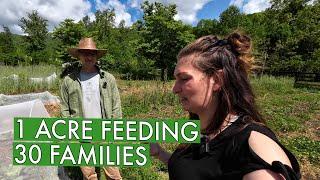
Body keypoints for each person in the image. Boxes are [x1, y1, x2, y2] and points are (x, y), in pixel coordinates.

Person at [150, 32, 301, 180]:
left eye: (184, 78)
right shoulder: (201, 129)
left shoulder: (251, 145)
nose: (174, 89)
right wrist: (160, 153)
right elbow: (193, 171)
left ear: (216, 80)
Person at [60, 37, 122, 180]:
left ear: (96, 56)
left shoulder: (108, 78)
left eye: (92, 54)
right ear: (79, 56)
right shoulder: (69, 80)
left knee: (113, 173)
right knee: (89, 175)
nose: (89, 57)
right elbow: (64, 108)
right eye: (85, 53)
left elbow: (116, 105)